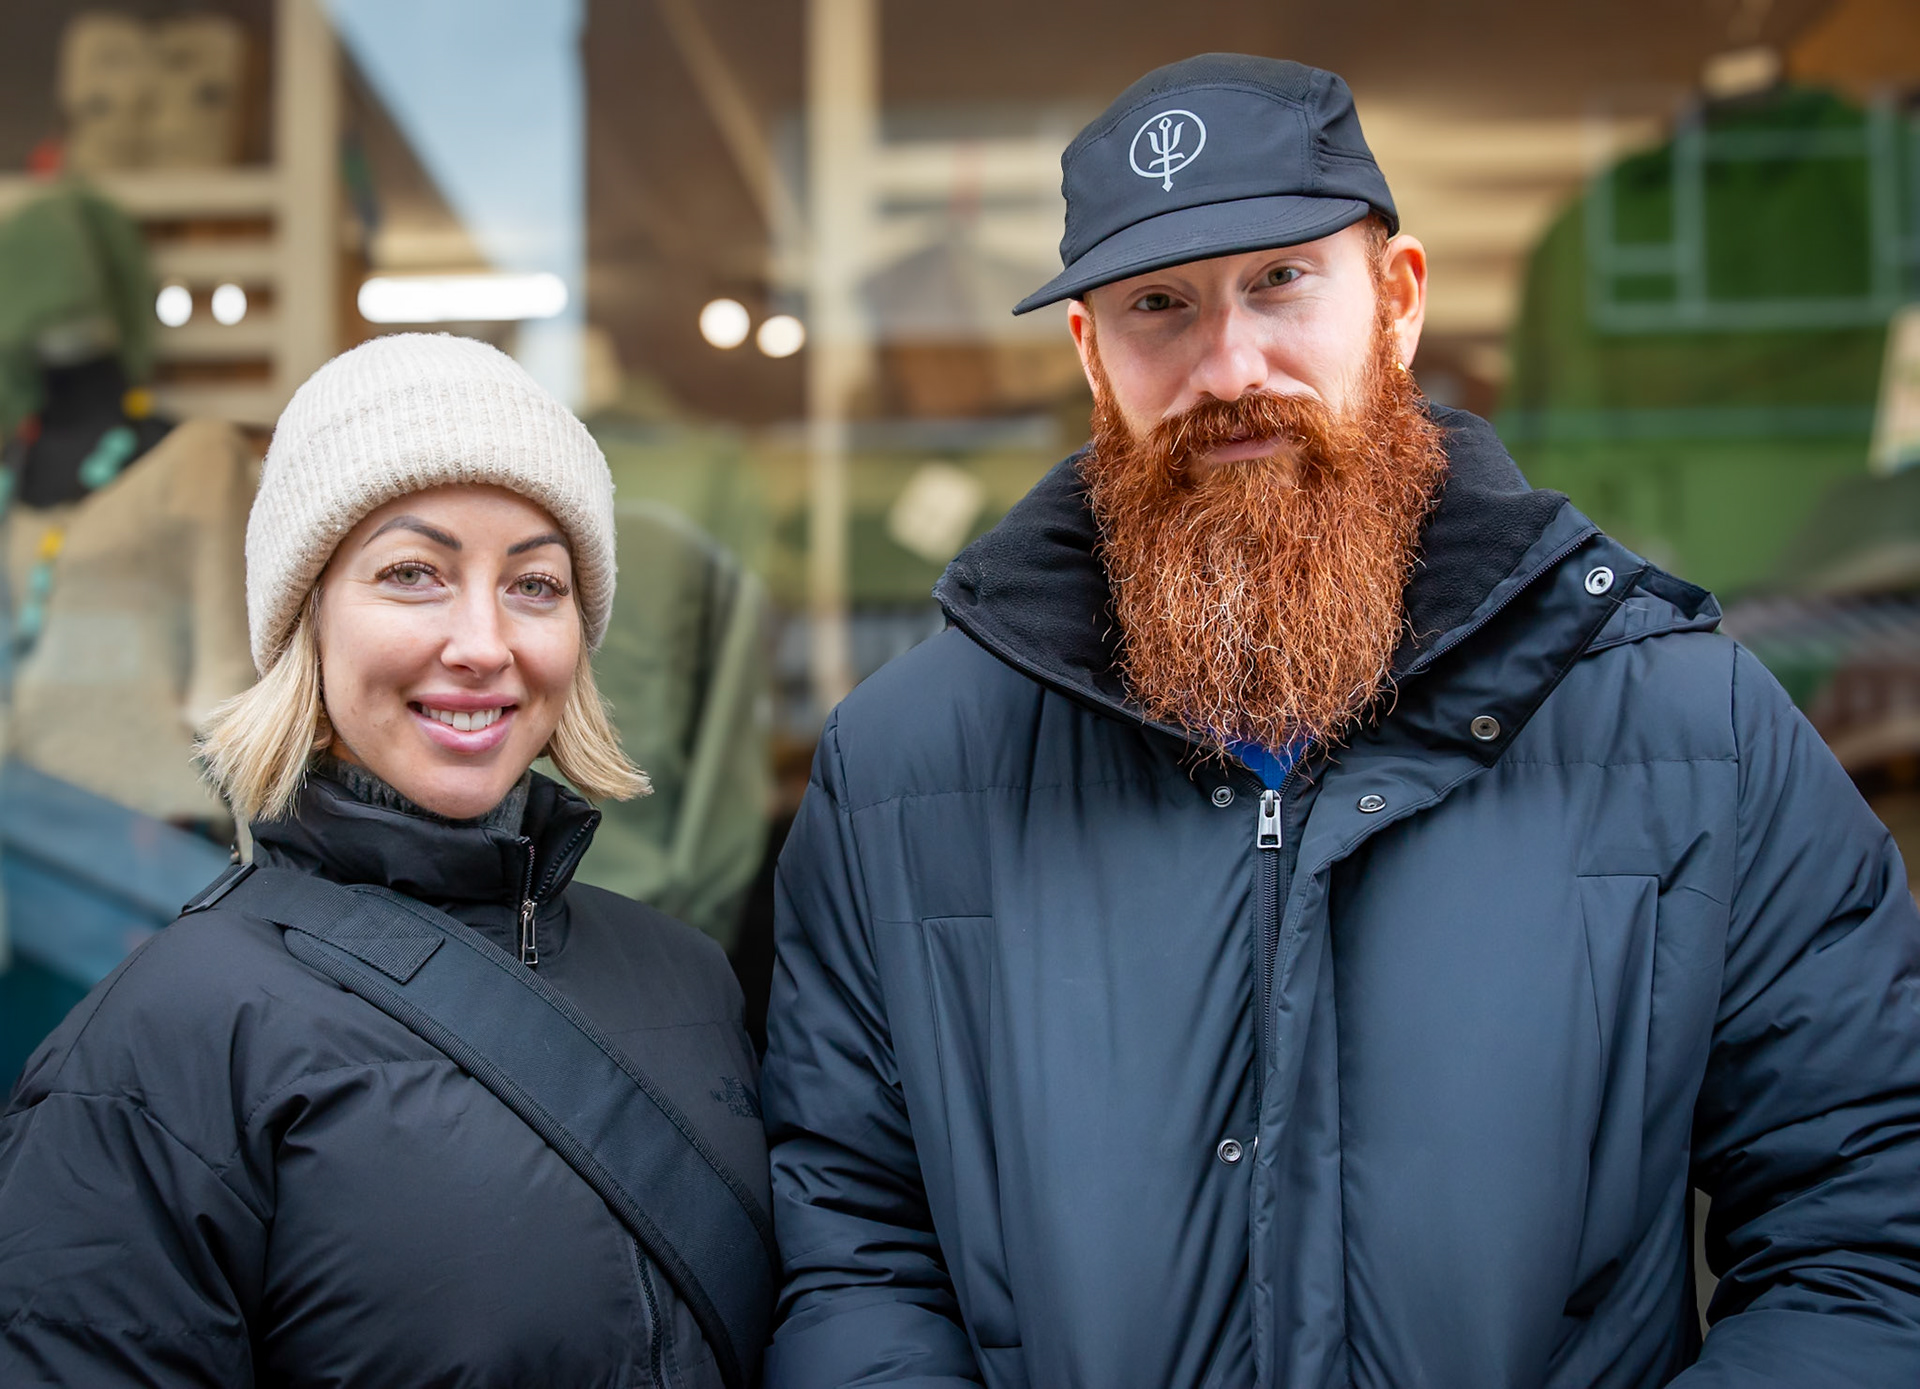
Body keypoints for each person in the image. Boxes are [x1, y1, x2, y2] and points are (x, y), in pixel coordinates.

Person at [761, 54, 1920, 1388]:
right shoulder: (906, 767)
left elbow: (1864, 1228)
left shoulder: (1687, 725)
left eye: (1281, 281)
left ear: (1400, 301)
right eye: (1158, 306)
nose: (1228, 363)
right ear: (1091, 354)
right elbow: (855, 1249)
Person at [0, 334, 768, 1387]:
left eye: (536, 584)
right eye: (414, 574)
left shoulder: (687, 978)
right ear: (306, 619)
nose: (484, 642)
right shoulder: (165, 1038)